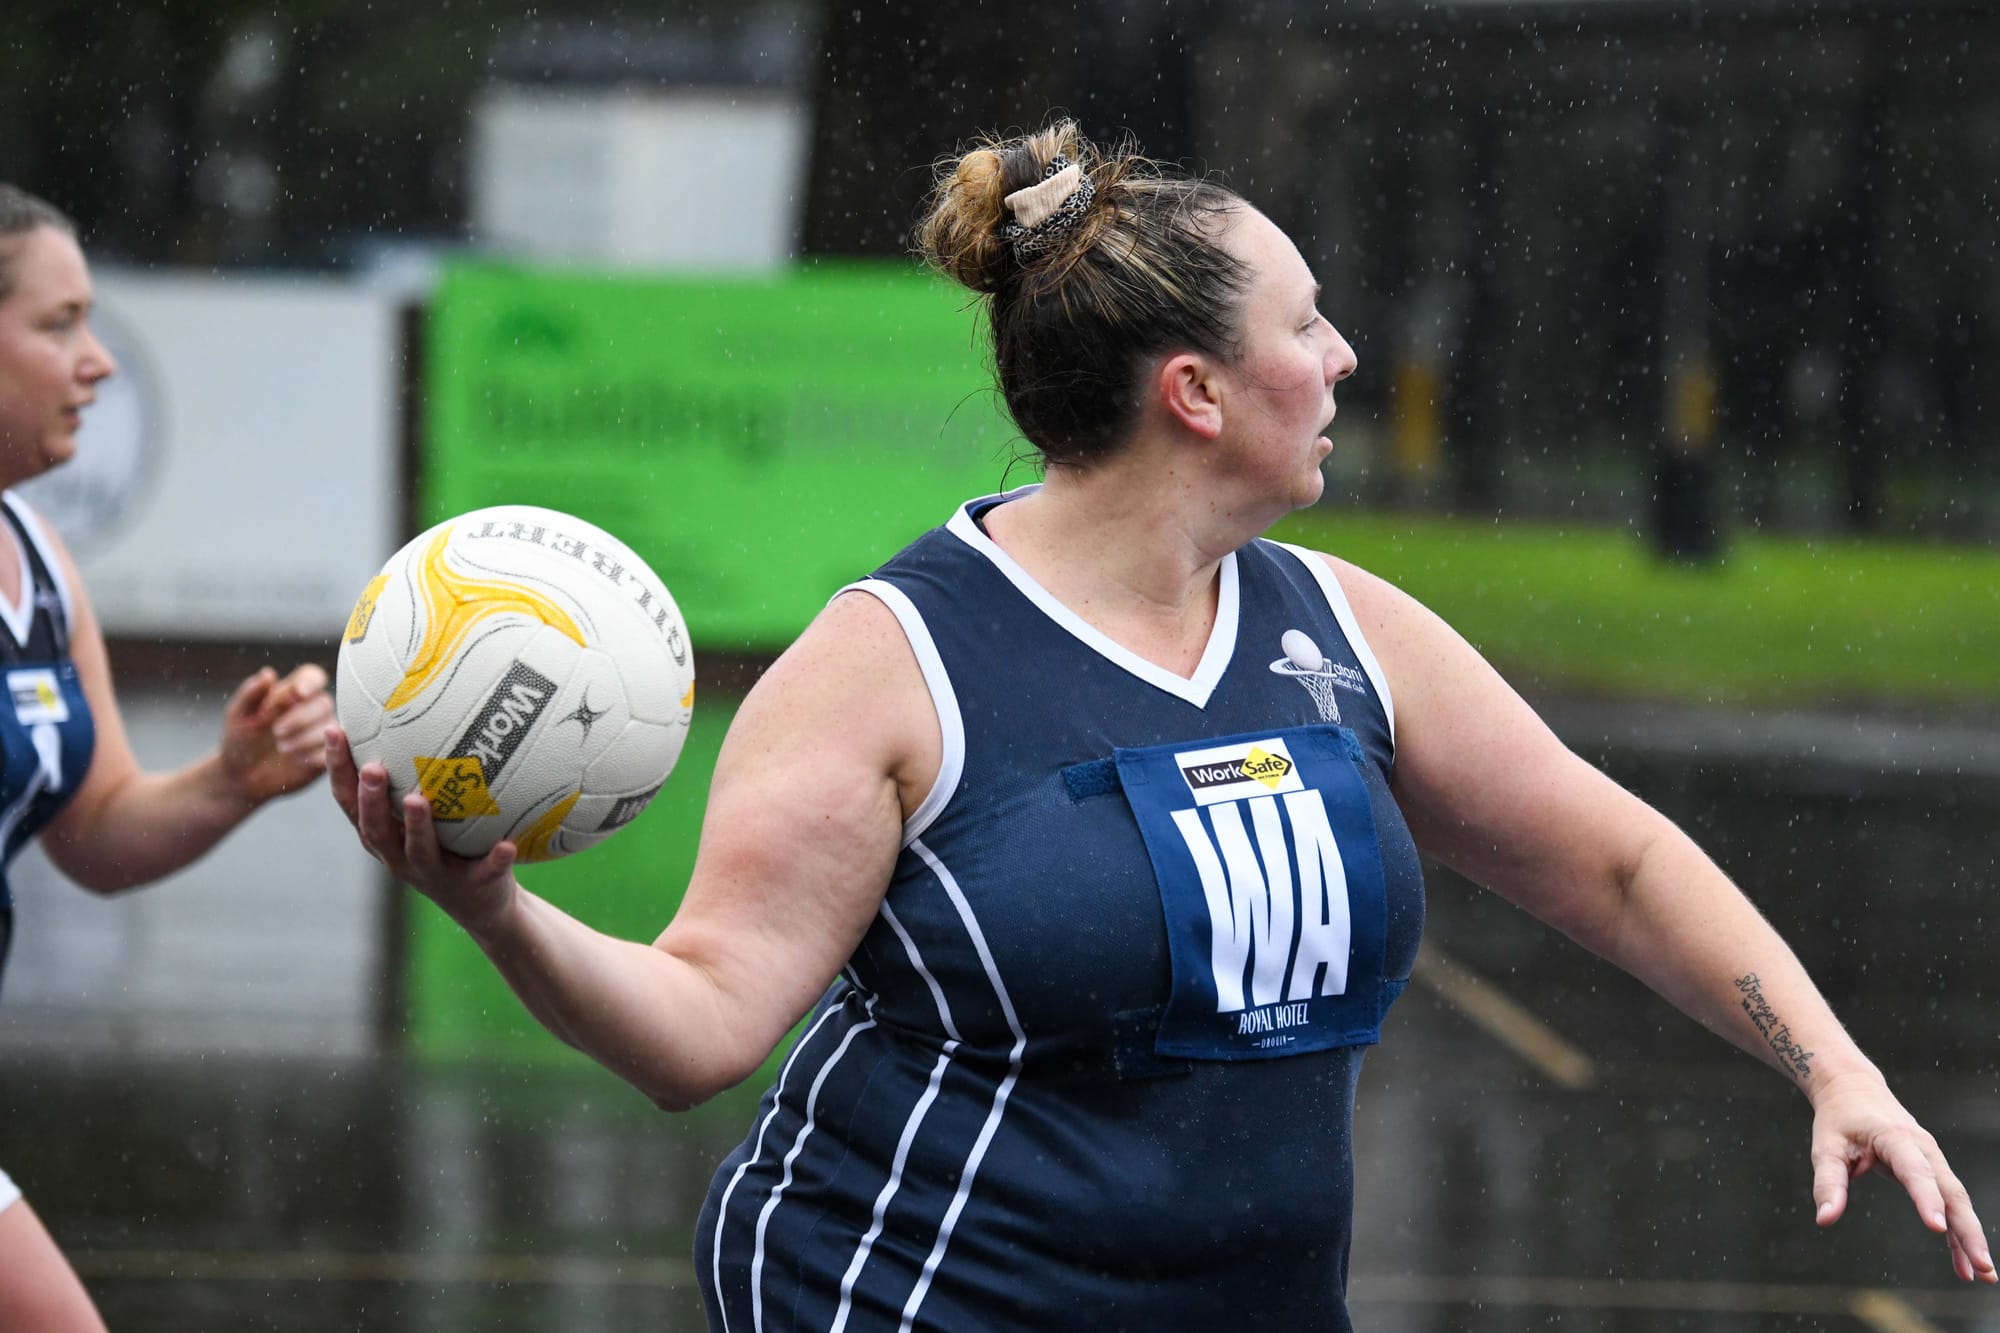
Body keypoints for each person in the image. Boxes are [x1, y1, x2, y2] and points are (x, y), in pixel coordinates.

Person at [327, 121, 1994, 1329]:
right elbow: (699, 1023)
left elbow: (1616, 865)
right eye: (1305, 325)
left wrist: (1833, 1066)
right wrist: (493, 907)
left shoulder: (1340, 626)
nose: (1344, 357)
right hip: (911, 1295)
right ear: (1192, 392)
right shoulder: (894, 664)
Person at [0, 184, 335, 1332]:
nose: (97, 361)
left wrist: (230, 780)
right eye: (59, 325)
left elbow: (96, 830)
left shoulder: (40, 563)